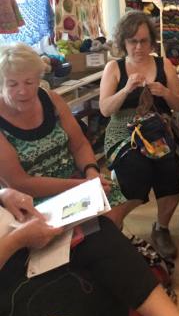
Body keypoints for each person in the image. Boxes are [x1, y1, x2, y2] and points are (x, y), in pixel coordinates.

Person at [0, 187, 179, 316]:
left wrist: (4, 195)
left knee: (99, 229)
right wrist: (17, 240)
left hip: (19, 241)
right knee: (99, 286)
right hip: (10, 270)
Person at [0, 43, 127, 226]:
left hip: (76, 180)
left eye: (29, 82)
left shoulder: (50, 99)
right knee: (91, 230)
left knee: (113, 207)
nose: (23, 90)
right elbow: (20, 183)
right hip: (34, 199)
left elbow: (79, 145)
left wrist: (91, 172)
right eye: (12, 84)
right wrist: (82, 186)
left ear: (38, 79)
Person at [99, 11, 179, 259]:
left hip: (159, 127)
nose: (138, 47)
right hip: (123, 130)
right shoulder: (114, 68)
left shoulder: (164, 65)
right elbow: (105, 109)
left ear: (151, 41)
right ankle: (114, 222)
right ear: (123, 42)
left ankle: (162, 228)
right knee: (135, 166)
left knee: (171, 165)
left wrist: (165, 93)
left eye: (144, 41)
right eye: (132, 41)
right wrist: (126, 90)